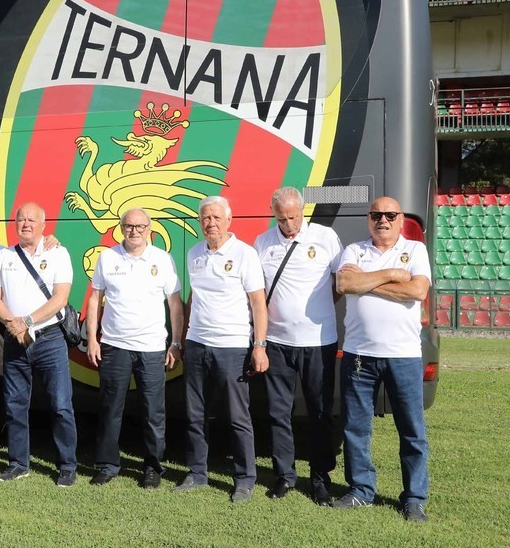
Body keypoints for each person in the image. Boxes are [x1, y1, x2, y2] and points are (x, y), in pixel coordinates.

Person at [333, 196, 432, 522]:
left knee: (412, 430)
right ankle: (361, 490)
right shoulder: (353, 250)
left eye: (390, 215)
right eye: (376, 214)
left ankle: (414, 498)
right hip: (360, 355)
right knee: (356, 428)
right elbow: (345, 282)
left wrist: (367, 281)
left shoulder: (415, 250)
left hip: (403, 356)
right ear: (368, 218)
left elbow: (417, 291)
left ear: (401, 219)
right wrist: (390, 273)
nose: (383, 220)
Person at [253, 186, 343, 505]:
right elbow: (258, 294)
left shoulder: (325, 237)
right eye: (282, 217)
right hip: (277, 342)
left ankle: (320, 477)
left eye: (293, 217)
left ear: (302, 211)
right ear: (273, 213)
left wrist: (317, 313)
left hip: (318, 341)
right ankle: (284, 475)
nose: (289, 224)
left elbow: (339, 284)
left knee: (319, 411)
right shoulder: (263, 243)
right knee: (278, 412)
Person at [177, 195, 268, 503]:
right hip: (198, 344)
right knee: (195, 414)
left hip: (232, 346)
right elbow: (193, 298)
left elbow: (258, 302)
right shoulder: (193, 253)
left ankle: (244, 479)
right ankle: (197, 472)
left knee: (237, 416)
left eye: (216, 217)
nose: (210, 223)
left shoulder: (244, 254)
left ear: (229, 220)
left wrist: (259, 345)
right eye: (205, 218)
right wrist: (184, 338)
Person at [85, 208, 184, 489]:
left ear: (149, 228)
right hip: (115, 345)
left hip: (152, 347)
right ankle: (107, 465)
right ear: (121, 228)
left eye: (140, 226)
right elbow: (95, 300)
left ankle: (153, 468)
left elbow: (175, 304)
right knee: (110, 409)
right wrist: (93, 338)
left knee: (153, 411)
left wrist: (175, 343)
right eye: (129, 226)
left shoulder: (162, 259)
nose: (134, 231)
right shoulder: (108, 257)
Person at [0, 202, 79, 486]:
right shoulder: (4, 256)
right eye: (21, 220)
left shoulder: (57, 252)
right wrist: (12, 324)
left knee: (61, 405)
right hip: (15, 339)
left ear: (43, 225)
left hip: (49, 339)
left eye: (31, 220)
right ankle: (18, 464)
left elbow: (60, 298)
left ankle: (67, 466)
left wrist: (26, 320)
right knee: (15, 404)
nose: (25, 224)